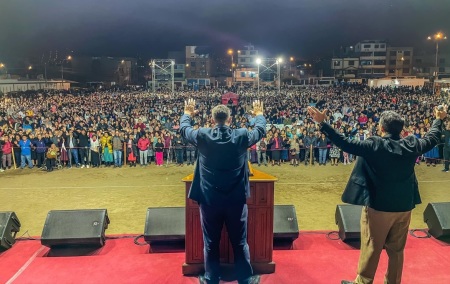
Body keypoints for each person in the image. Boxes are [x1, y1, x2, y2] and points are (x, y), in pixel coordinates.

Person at [307, 104, 447, 284]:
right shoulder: (412, 144)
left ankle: (363, 281)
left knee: (371, 245)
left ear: (381, 128)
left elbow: (345, 143)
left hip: (378, 207)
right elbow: (433, 137)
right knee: (397, 250)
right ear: (401, 129)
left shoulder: (375, 145)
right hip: (404, 207)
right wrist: (438, 118)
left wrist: (323, 123)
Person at [180, 99, 266, 284]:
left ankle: (211, 278)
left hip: (210, 200)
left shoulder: (203, 135)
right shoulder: (241, 135)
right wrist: (259, 115)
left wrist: (187, 113)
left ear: (212, 119)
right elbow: (260, 131)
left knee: (210, 242)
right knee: (240, 241)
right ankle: (245, 278)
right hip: (235, 200)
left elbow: (184, 130)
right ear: (229, 119)